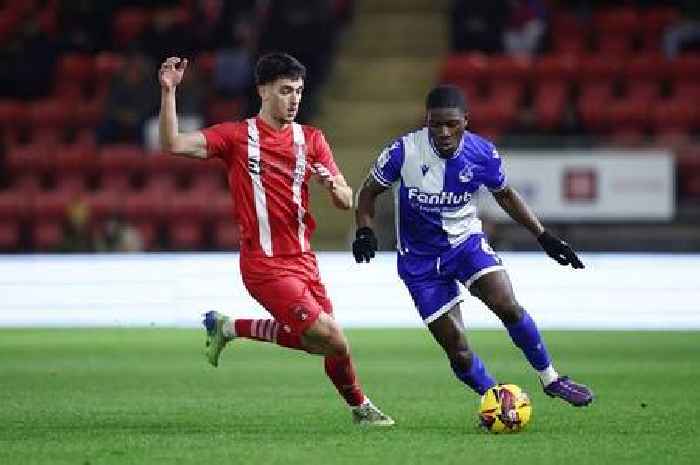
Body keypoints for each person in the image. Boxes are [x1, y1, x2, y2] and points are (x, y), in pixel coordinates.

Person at [158, 52, 394, 426]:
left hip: (304, 261)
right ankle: (362, 407)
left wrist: (334, 188)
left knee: (326, 345)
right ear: (263, 92)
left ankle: (230, 327)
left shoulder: (312, 139)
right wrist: (169, 91)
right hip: (263, 264)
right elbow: (173, 143)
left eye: (299, 90)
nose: (294, 99)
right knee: (334, 339)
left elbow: (346, 198)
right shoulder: (237, 137)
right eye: (285, 90)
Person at [353, 85, 593, 410]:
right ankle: (497, 400)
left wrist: (543, 236)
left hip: (465, 245)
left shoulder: (482, 154)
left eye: (451, 123)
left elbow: (505, 194)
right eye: (435, 124)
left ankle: (551, 378)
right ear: (427, 122)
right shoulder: (403, 152)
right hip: (420, 265)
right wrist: (365, 231)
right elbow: (367, 193)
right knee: (458, 350)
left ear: (466, 120)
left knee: (507, 305)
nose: (443, 132)